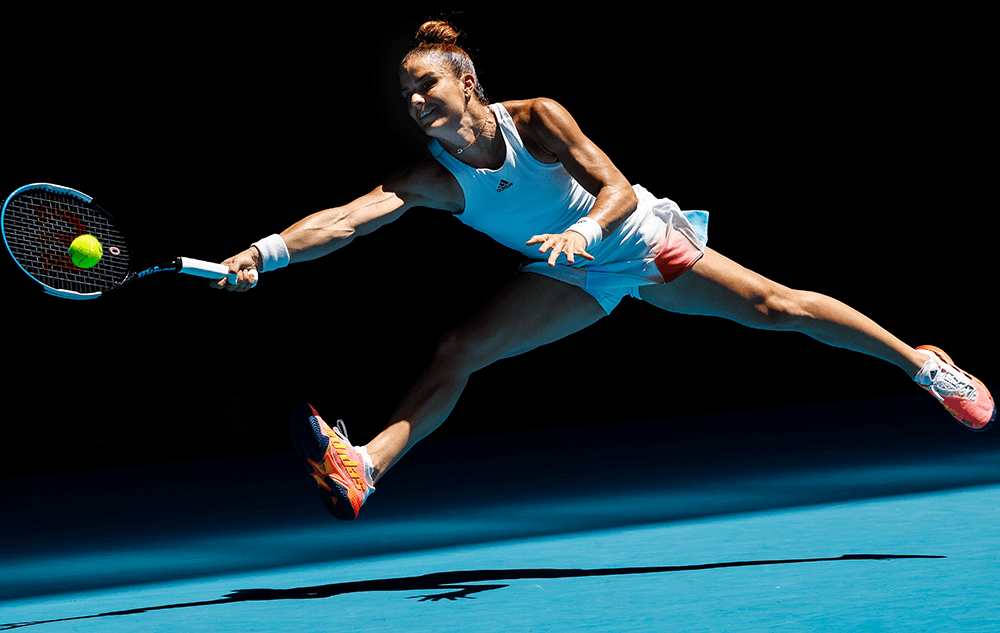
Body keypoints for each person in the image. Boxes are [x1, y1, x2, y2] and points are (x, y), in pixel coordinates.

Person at [216, 21, 994, 521]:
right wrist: (264, 252)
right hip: (572, 274)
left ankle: (924, 365)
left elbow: (616, 186)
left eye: (427, 83)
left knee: (774, 307)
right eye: (405, 92)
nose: (415, 100)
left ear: (469, 81)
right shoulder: (432, 178)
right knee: (461, 348)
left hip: (633, 237)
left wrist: (586, 230)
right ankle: (366, 467)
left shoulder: (535, 119)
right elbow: (344, 220)